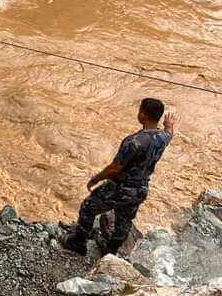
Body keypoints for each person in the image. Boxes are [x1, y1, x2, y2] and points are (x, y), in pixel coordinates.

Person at [63, 99, 176, 256]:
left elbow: (116, 167)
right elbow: (170, 133)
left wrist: (96, 179)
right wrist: (168, 124)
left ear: (143, 115)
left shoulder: (134, 142)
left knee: (88, 207)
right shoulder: (163, 138)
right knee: (124, 220)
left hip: (120, 187)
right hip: (141, 189)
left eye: (140, 111)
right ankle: (111, 250)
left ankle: (78, 243)